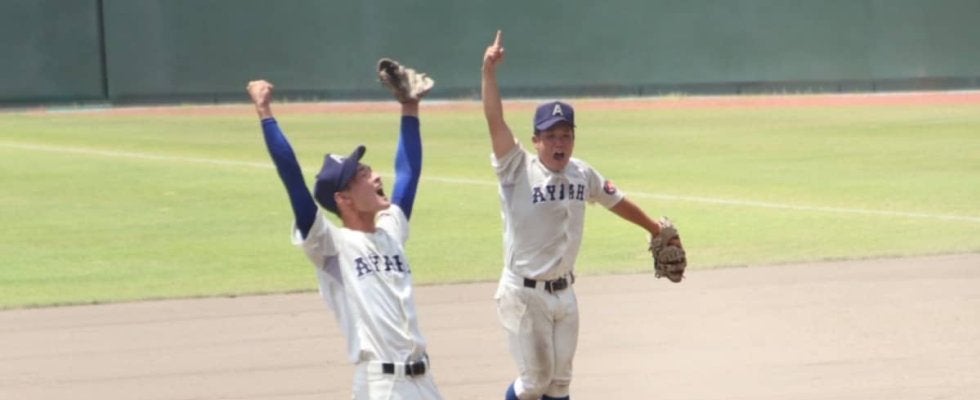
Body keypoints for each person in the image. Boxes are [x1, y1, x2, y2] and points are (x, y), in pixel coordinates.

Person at [481, 30, 677, 400]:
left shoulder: (581, 173)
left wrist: (654, 228)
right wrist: (489, 72)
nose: (559, 143)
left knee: (559, 384)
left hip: (564, 293)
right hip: (524, 295)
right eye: (550, 136)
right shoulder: (516, 167)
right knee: (534, 383)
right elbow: (495, 120)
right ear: (536, 140)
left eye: (566, 135)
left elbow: (615, 200)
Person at [246, 75, 443, 399]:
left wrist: (410, 107)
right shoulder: (331, 246)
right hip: (383, 386)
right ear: (343, 198)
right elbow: (293, 178)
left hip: (424, 384)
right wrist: (265, 113)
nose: (376, 177)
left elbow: (408, 174)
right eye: (363, 175)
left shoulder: (391, 230)